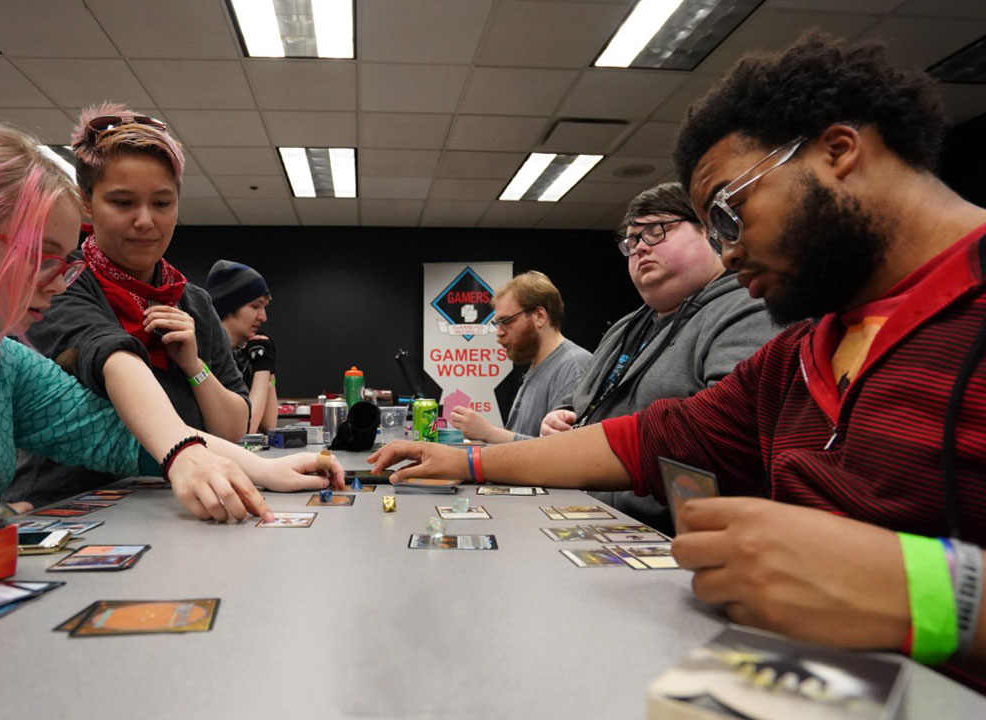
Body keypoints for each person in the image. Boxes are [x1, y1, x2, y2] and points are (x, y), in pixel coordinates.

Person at [369, 33, 986, 685]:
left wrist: (929, 594)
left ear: (838, 153)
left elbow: (904, 591)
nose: (730, 250)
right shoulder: (798, 356)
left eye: (730, 211)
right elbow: (644, 440)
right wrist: (468, 461)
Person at [0, 119, 340, 522]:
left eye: (65, 257)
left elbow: (121, 439)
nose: (59, 277)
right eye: (41, 256)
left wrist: (266, 471)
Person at [7, 104, 315, 508]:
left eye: (162, 203)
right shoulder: (57, 285)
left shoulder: (195, 302)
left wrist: (193, 366)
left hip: (181, 497)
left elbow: (233, 428)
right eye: (122, 203)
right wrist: (184, 452)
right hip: (68, 503)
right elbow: (112, 362)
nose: (145, 221)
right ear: (87, 202)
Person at [537, 182, 778, 532]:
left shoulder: (749, 310)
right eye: (632, 241)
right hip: (592, 521)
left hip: (677, 538)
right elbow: (577, 401)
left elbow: (725, 443)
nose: (639, 249)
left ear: (708, 232)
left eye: (655, 232)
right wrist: (560, 418)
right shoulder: (625, 327)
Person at [448, 271, 592, 442]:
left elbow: (561, 452)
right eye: (497, 324)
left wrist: (488, 433)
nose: (499, 333)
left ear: (540, 316)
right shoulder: (539, 366)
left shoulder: (574, 366)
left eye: (506, 321)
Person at [206, 259, 278, 434]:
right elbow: (246, 429)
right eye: (255, 306)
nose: (263, 317)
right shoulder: (210, 358)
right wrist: (261, 371)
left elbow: (269, 425)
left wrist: (268, 369)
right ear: (228, 306)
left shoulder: (241, 355)